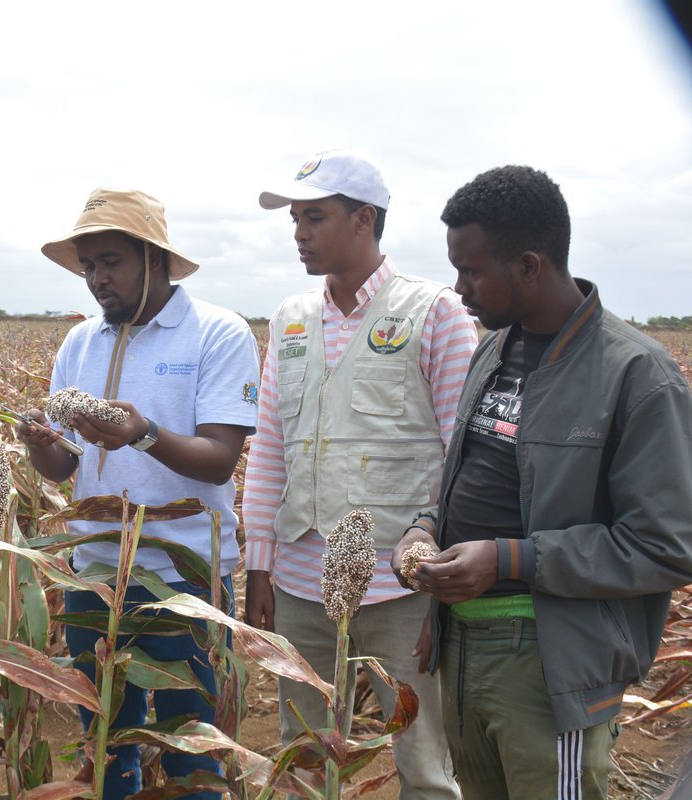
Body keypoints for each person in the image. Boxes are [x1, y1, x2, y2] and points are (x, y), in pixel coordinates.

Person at [391, 165, 692, 799]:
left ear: (529, 265)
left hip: (550, 663)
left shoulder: (637, 374)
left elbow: (671, 545)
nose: (459, 288)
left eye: (471, 271)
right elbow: (478, 479)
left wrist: (508, 559)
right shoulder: (493, 350)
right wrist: (425, 530)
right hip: (462, 645)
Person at [243, 148, 474, 799]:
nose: (299, 233)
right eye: (295, 219)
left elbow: (463, 457)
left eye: (314, 217)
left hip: (403, 588)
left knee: (423, 762)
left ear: (364, 219)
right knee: (303, 757)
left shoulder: (434, 312)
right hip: (298, 583)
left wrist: (443, 591)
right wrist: (258, 567)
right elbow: (270, 448)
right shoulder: (290, 320)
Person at [18, 188, 260, 800]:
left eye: (111, 262)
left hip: (185, 581)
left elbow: (220, 460)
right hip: (94, 578)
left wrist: (142, 433)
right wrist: (39, 443)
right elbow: (62, 468)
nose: (97, 279)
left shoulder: (218, 333)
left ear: (154, 258)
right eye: (88, 266)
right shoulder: (80, 343)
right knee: (106, 749)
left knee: (193, 757)